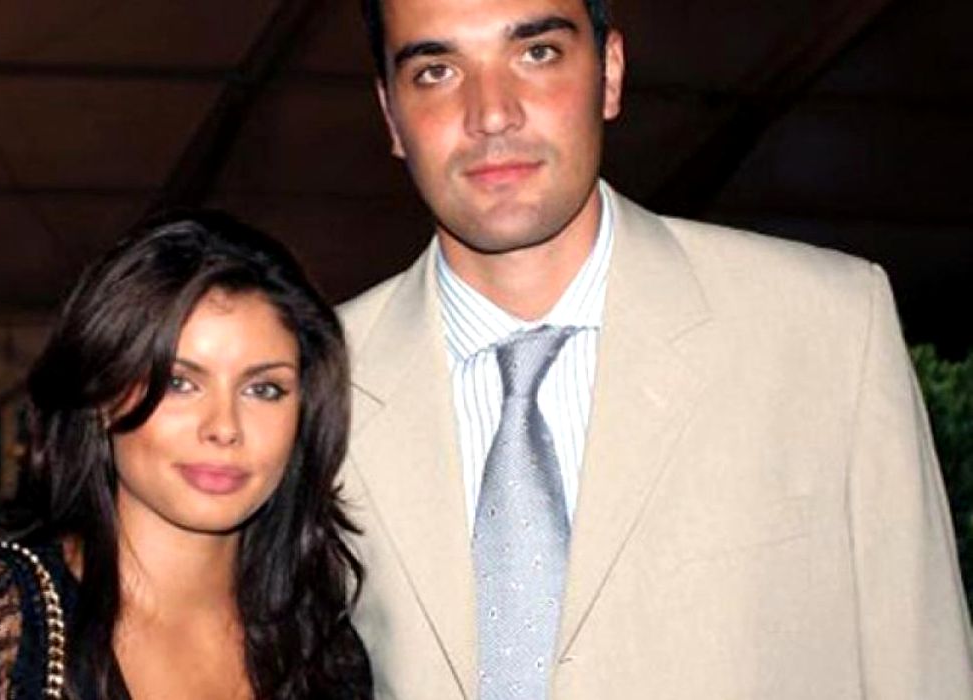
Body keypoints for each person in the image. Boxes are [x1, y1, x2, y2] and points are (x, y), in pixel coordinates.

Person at [338, 0, 973, 697]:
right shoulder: (316, 384)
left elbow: (923, 671)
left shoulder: (828, 328)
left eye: (537, 53)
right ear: (390, 114)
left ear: (610, 73)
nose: (492, 113)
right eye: (436, 71)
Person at [0, 211, 372, 699]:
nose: (224, 427)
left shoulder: (324, 645)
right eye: (179, 382)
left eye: (264, 389)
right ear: (101, 394)